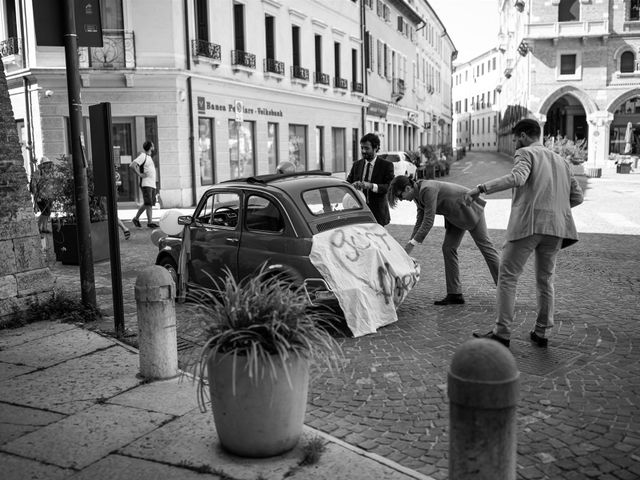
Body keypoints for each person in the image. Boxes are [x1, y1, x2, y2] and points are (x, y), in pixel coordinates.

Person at [465, 118, 584, 348]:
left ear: (523, 136)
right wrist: (555, 207)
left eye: (515, 138)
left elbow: (518, 178)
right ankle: (542, 332)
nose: (514, 143)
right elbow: (577, 196)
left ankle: (502, 332)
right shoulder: (561, 161)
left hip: (529, 225)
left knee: (507, 277)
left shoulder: (526, 154)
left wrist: (481, 188)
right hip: (556, 228)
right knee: (545, 280)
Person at [388, 175, 500, 305]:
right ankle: (455, 294)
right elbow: (420, 218)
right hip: (455, 216)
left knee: (486, 248)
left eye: (400, 196)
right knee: (448, 248)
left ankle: (505, 290)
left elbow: (428, 220)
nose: (401, 200)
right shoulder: (417, 194)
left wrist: (412, 244)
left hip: (470, 209)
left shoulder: (427, 189)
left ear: (408, 188)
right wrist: (410, 241)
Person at [346, 133, 394, 226]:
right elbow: (348, 182)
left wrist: (372, 186)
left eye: (367, 148)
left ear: (376, 148)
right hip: (358, 212)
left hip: (378, 214)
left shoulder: (386, 165)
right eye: (362, 148)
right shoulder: (357, 165)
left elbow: (389, 187)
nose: (363, 151)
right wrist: (353, 185)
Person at [129, 141, 159, 229]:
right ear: (150, 147)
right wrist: (140, 174)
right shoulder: (143, 156)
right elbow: (132, 165)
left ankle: (136, 219)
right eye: (152, 145)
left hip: (151, 184)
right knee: (148, 203)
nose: (154, 146)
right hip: (146, 184)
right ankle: (149, 222)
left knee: (148, 203)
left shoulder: (149, 157)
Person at [29, 157, 54, 234]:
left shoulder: (48, 173)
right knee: (45, 212)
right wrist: (37, 196)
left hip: (49, 196)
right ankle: (39, 227)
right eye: (46, 164)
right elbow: (33, 185)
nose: (48, 165)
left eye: (48, 164)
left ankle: (44, 228)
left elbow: (51, 184)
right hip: (41, 196)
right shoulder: (38, 172)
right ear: (43, 165)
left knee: (47, 213)